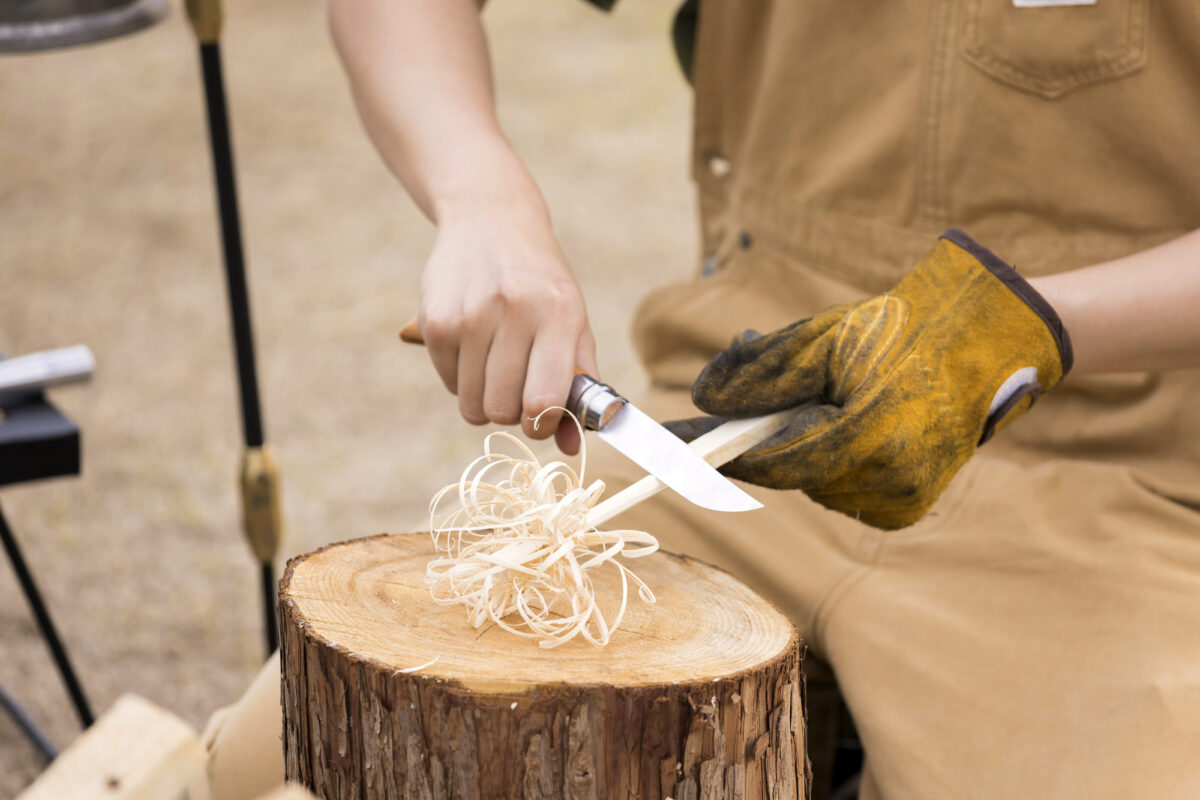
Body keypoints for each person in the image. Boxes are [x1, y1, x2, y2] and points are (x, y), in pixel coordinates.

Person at [204, 1, 1200, 798]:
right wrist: (483, 200)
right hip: (744, 440)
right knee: (283, 764)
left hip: (1120, 477)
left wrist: (1026, 328)